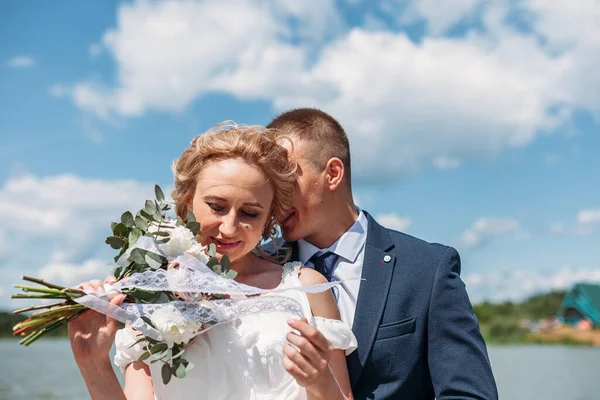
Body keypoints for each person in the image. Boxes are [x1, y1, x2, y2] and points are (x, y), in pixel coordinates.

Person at [68, 123, 358, 400]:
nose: (229, 227)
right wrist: (93, 365)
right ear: (188, 201)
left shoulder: (306, 288)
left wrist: (322, 385)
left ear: (269, 217)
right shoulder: (149, 294)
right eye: (217, 207)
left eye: (250, 213)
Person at [266, 108, 499, 399]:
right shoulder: (252, 270)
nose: (274, 195)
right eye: (269, 181)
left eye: (286, 177)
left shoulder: (427, 269)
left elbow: (469, 395)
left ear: (333, 174)